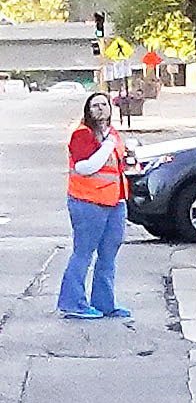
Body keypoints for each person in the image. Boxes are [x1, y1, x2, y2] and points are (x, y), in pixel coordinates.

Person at [59, 88, 135, 322]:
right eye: (95, 105)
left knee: (108, 256)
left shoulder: (113, 134)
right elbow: (85, 167)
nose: (100, 108)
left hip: (114, 202)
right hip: (88, 203)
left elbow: (118, 165)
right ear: (88, 110)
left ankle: (104, 303)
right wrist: (108, 145)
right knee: (83, 253)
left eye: (104, 104)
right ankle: (73, 303)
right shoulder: (82, 135)